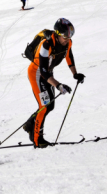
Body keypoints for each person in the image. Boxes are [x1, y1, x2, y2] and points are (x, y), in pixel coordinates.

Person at [23, 18, 85, 148]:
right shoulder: (46, 45)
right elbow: (44, 72)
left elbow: (69, 56)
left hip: (47, 73)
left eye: (70, 36)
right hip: (37, 73)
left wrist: (75, 74)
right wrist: (58, 85)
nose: (67, 39)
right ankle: (37, 139)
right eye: (65, 36)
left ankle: (30, 124)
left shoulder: (67, 43)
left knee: (49, 105)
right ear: (57, 34)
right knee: (44, 105)